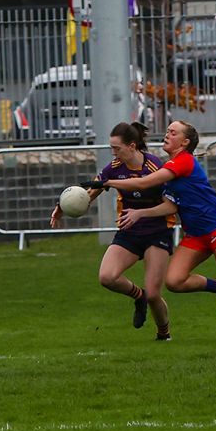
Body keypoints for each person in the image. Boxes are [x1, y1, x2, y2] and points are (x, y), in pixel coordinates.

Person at [89, 120, 216, 337]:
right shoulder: (170, 164)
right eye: (167, 131)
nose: (167, 134)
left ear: (184, 142)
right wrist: (137, 211)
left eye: (172, 133)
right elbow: (170, 205)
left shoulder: (182, 162)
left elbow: (143, 183)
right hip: (195, 233)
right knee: (174, 281)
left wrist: (109, 183)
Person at [54, 121, 174, 340]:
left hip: (157, 232)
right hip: (129, 232)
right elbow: (91, 191)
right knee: (107, 277)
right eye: (111, 148)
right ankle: (139, 297)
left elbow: (171, 206)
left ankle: (163, 333)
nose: (113, 152)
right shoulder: (114, 168)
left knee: (156, 294)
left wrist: (141, 213)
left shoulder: (155, 167)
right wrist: (63, 207)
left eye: (117, 148)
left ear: (132, 146)